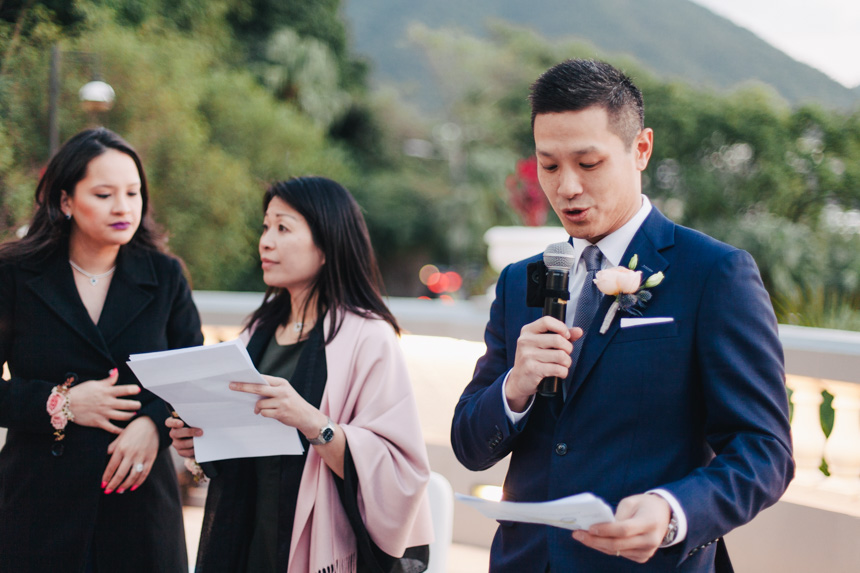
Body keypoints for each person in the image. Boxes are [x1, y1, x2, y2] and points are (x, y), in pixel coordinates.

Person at [450, 59, 794, 572]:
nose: (566, 187)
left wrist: (672, 510)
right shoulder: (521, 281)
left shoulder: (714, 274)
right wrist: (514, 388)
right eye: (549, 165)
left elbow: (763, 450)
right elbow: (470, 447)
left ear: (641, 149)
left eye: (588, 164)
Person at [168, 176, 434, 573]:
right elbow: (239, 441)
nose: (265, 241)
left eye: (282, 228)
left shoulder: (368, 337)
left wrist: (314, 423)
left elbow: (400, 470)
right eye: (265, 227)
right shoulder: (255, 333)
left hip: (316, 547)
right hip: (246, 541)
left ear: (326, 246)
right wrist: (198, 442)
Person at [0, 127, 203, 571]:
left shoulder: (166, 277)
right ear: (65, 200)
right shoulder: (14, 274)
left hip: (140, 504)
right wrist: (63, 402)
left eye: (133, 193)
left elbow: (193, 378)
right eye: (104, 193)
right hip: (39, 506)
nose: (123, 207)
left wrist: (153, 425)